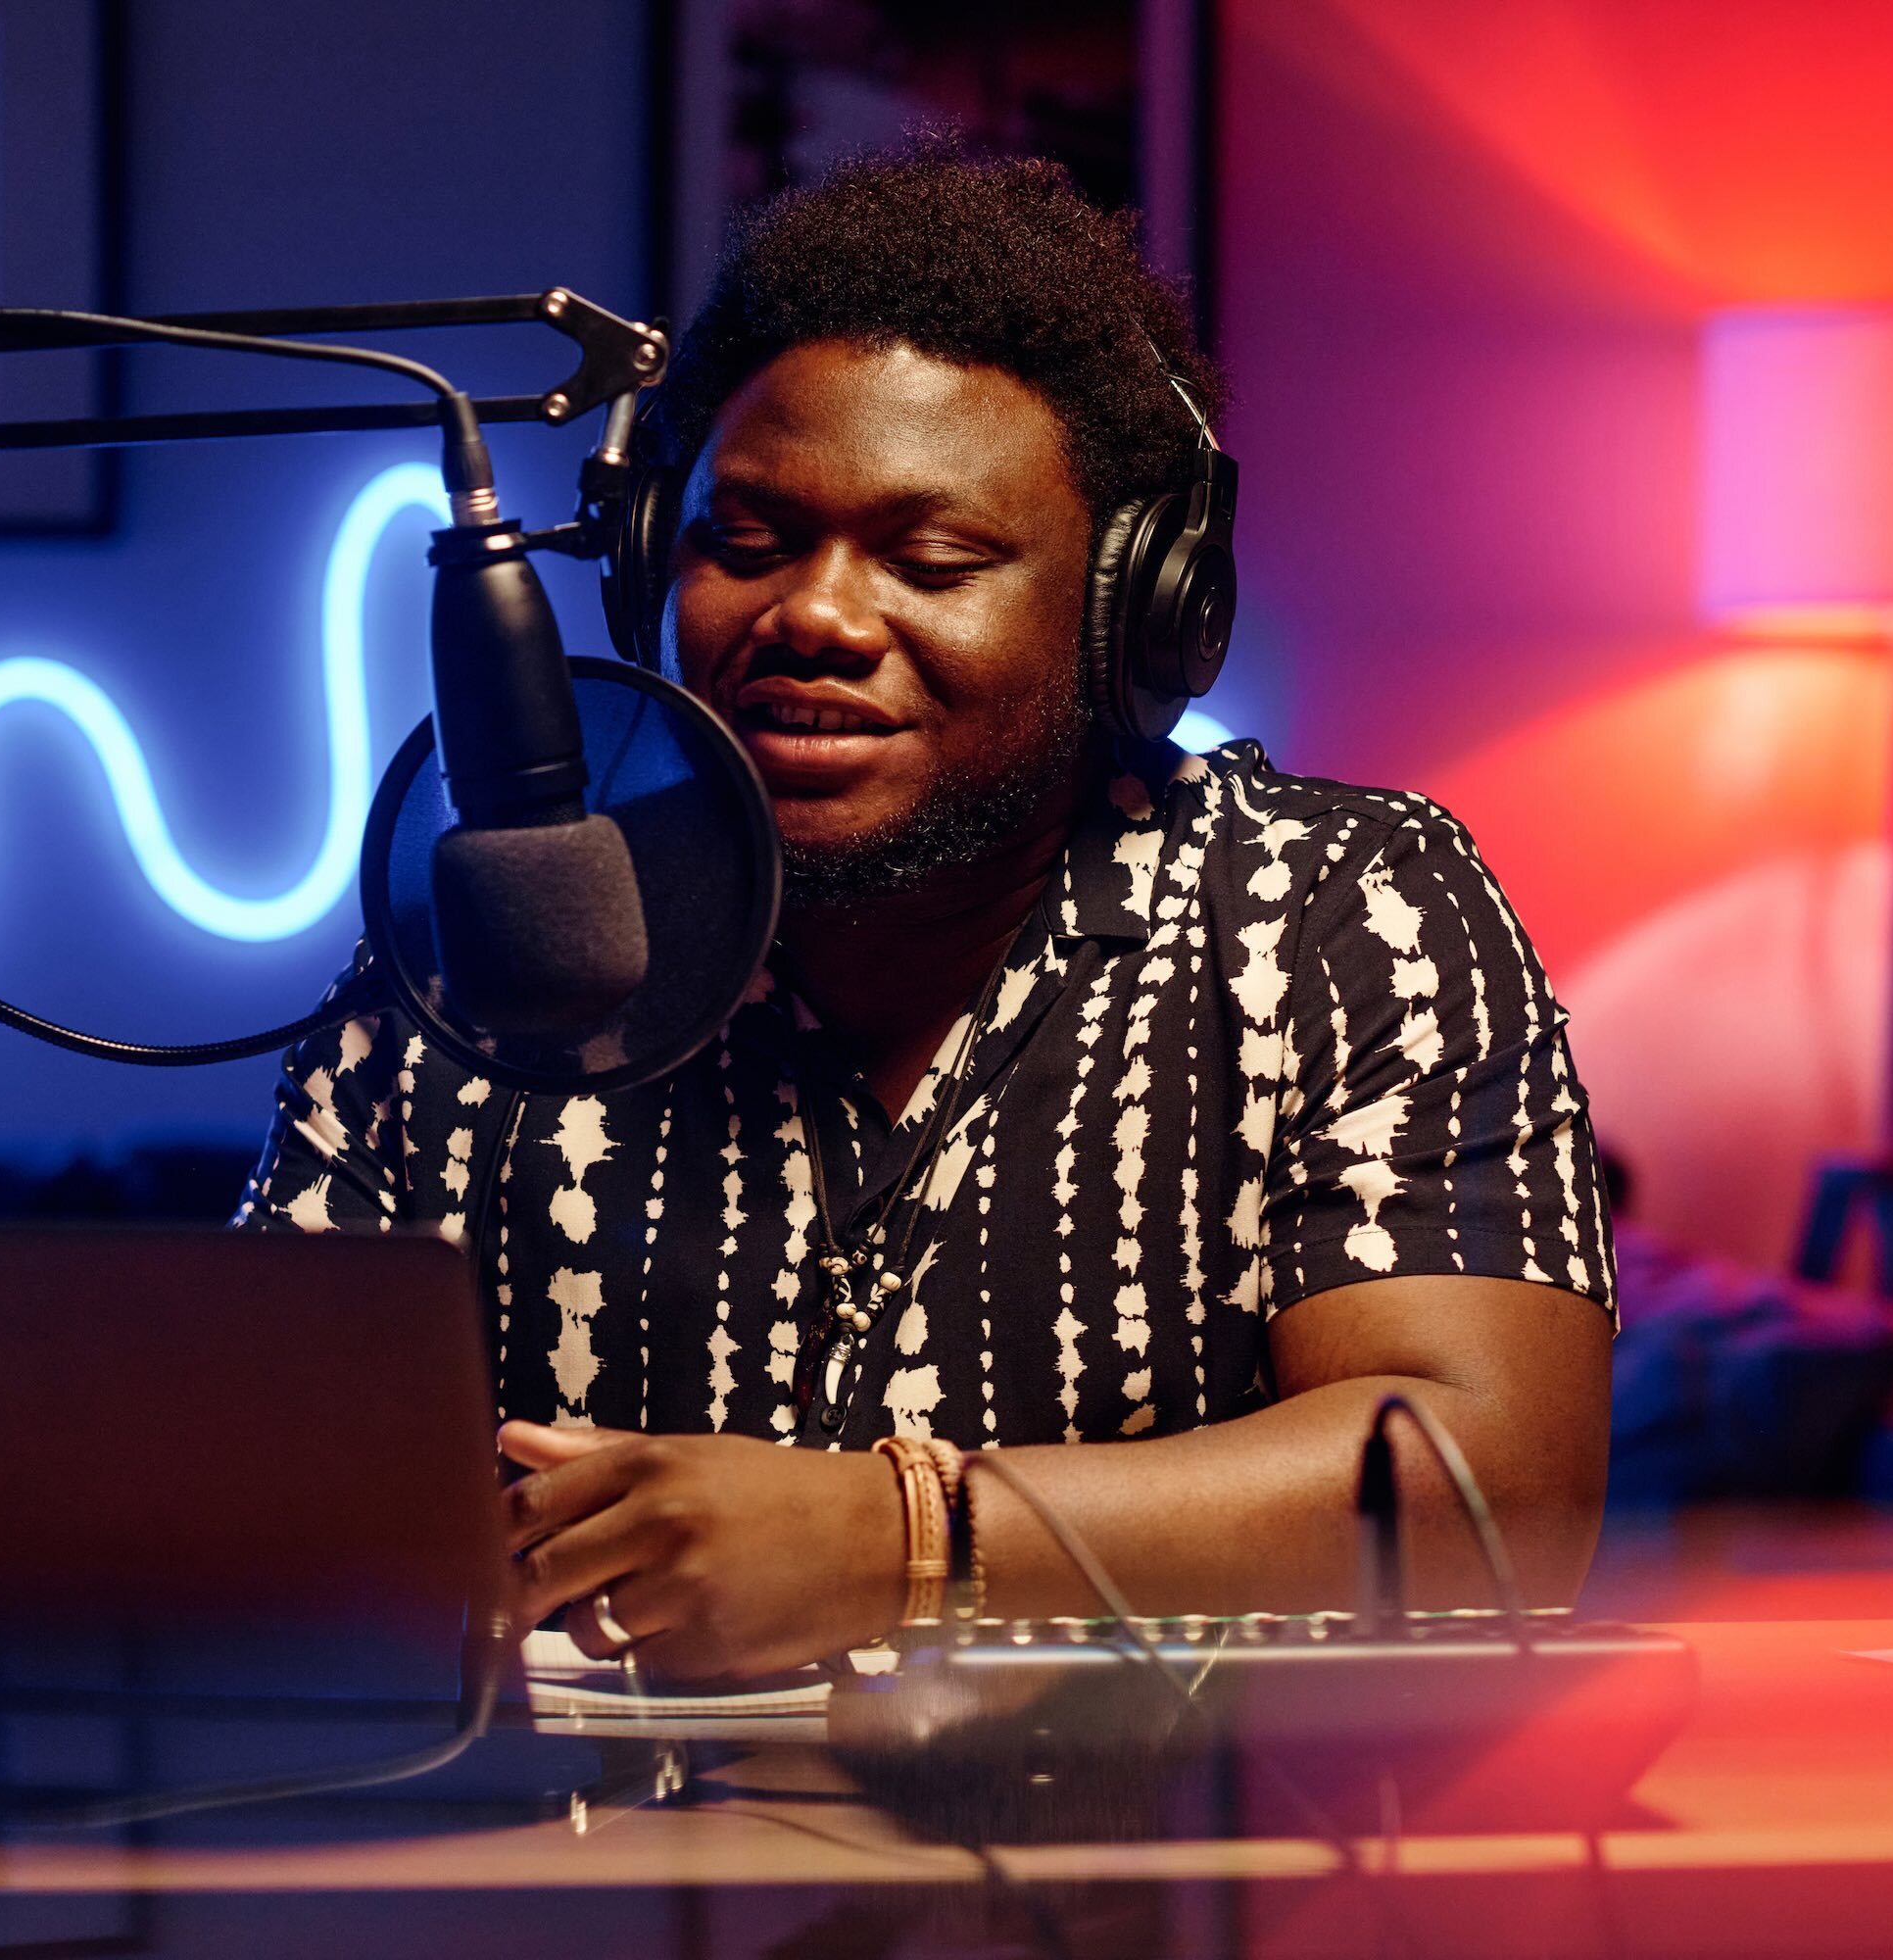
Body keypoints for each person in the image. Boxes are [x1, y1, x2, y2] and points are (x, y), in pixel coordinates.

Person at [240, 147, 1615, 1682]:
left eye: (933, 559)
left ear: (1131, 608)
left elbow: (1500, 1494)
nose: (815, 618)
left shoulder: (1343, 919)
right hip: (583, 1887)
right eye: (745, 545)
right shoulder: (481, 957)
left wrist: (897, 1542)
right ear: (644, 566)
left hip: (1158, 1889)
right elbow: (257, 1504)